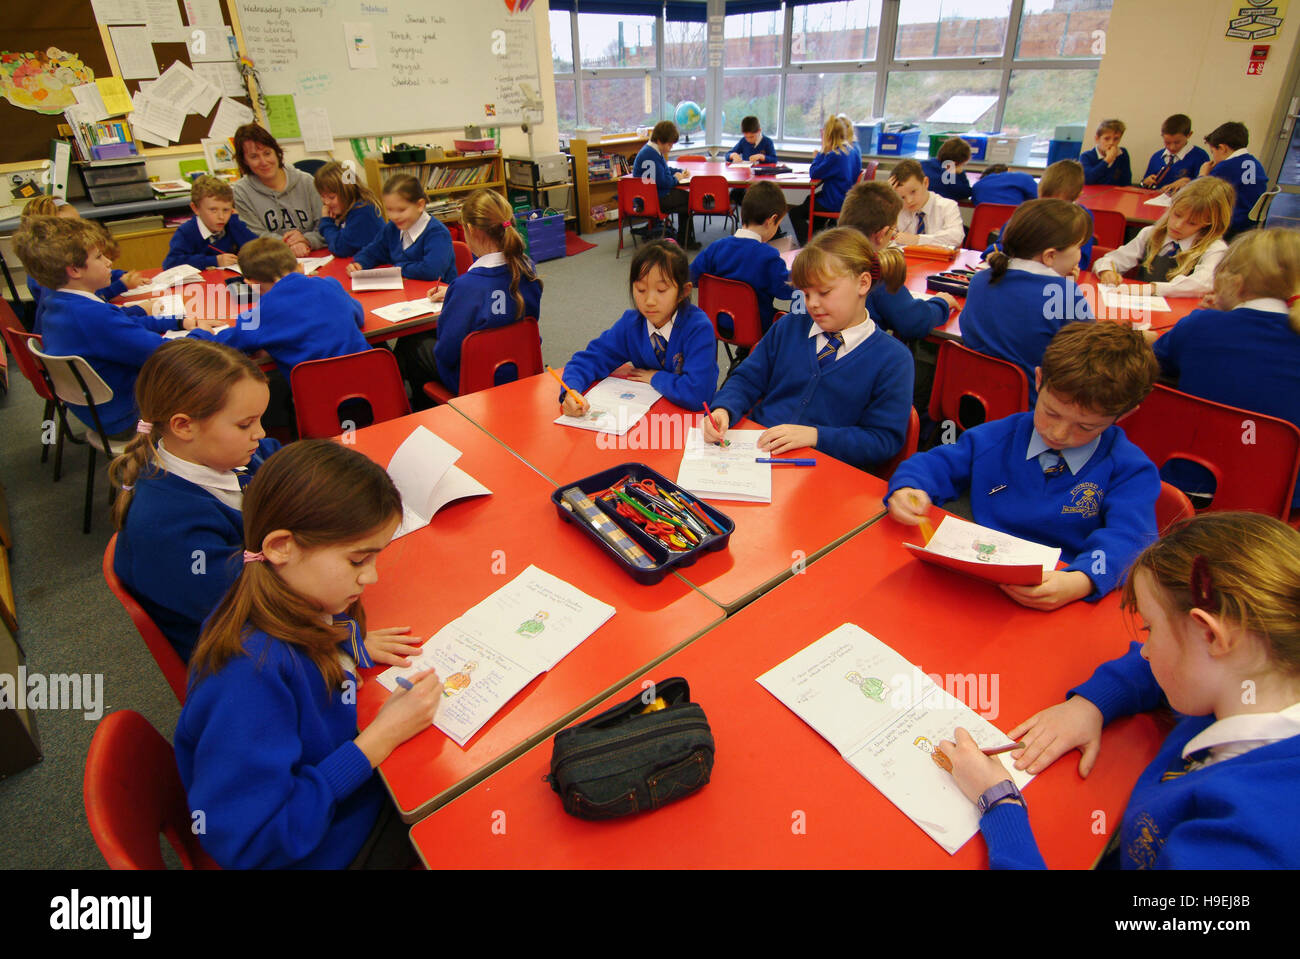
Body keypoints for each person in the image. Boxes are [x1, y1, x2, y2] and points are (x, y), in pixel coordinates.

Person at [940, 512, 1300, 868]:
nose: (1144, 649)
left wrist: (999, 803)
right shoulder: (1253, 680)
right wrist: (1092, 704)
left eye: (1150, 629)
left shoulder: (1248, 843)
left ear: (1210, 635)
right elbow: (1158, 666)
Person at [174, 440, 440, 869]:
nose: (371, 576)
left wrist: (351, 647)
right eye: (357, 560)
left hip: (346, 805)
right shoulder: (247, 676)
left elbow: (307, 655)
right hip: (327, 848)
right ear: (282, 546)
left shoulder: (281, 596)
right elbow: (251, 843)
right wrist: (378, 740)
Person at [887, 322, 1161, 610]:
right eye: (1051, 412)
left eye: (1085, 426)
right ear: (1039, 381)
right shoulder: (1001, 436)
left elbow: (1130, 541)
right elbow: (937, 464)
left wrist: (1082, 580)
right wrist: (910, 489)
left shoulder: (1130, 470)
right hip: (976, 576)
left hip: (1059, 589)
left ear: (1124, 414)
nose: (1058, 434)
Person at [110, 339, 280, 662]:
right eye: (245, 424)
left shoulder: (231, 457)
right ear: (184, 426)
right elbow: (252, 608)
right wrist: (342, 639)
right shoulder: (167, 527)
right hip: (243, 654)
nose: (260, 432)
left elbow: (283, 463)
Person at [701, 228, 913, 471]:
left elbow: (882, 440)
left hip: (824, 473)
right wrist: (723, 409)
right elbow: (747, 378)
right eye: (806, 293)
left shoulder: (894, 360)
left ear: (863, 283)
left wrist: (815, 436)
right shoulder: (790, 326)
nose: (812, 303)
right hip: (755, 457)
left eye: (824, 292)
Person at [12, 216, 213, 436]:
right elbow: (168, 355)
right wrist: (201, 334)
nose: (109, 262)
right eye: (99, 256)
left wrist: (179, 321)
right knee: (219, 386)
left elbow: (123, 321)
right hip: (130, 417)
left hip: (103, 412)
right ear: (75, 270)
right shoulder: (90, 317)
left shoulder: (60, 304)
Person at [1151, 228, 1300, 510]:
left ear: (1236, 283)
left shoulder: (1198, 326)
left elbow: (1156, 360)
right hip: (1279, 500)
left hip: (1184, 485)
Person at [960, 198, 1093, 401]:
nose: (1080, 255)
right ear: (1050, 256)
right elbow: (1091, 355)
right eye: (1079, 247)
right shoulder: (1064, 294)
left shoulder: (980, 280)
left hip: (972, 398)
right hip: (1032, 408)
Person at [560, 239, 716, 413]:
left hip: (688, 423)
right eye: (641, 290)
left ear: (683, 292)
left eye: (662, 290)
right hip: (646, 415)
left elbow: (699, 394)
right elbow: (589, 359)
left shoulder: (698, 328)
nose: (649, 301)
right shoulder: (632, 324)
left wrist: (656, 377)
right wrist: (571, 390)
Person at [423, 189, 543, 395]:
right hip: (520, 371)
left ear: (471, 230)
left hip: (477, 383)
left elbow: (446, 352)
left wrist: (456, 297)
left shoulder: (465, 288)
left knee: (416, 348)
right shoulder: (527, 270)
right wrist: (458, 296)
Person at [199, 236, 369, 374]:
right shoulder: (331, 285)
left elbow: (225, 345)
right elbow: (359, 316)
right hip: (375, 383)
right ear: (302, 268)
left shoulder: (259, 316)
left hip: (318, 402)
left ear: (250, 284)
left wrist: (199, 333)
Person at [836, 181, 957, 340]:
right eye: (893, 231)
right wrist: (942, 303)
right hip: (856, 355)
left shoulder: (819, 255)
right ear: (882, 234)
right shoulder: (875, 271)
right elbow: (913, 323)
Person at [1094, 177, 1233, 297]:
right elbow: (1111, 259)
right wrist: (1106, 271)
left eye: (1192, 223)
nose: (1178, 225)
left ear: (1208, 224)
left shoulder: (1214, 248)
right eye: (1177, 214)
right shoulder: (1150, 234)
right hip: (1139, 310)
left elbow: (1203, 282)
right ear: (1171, 206)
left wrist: (1152, 288)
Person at [21, 197, 145, 331]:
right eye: (70, 228)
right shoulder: (54, 280)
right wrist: (122, 287)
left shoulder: (60, 267)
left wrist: (119, 275)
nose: (81, 232)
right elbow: (95, 309)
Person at [689, 181, 794, 334]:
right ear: (771, 220)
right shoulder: (768, 256)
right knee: (790, 319)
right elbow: (785, 291)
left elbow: (691, 276)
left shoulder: (716, 247)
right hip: (756, 328)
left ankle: (744, 352)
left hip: (717, 322)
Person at [230, 123, 324, 256]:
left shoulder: (307, 181)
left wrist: (306, 240)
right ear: (244, 161)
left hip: (314, 255)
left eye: (267, 153)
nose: (263, 162)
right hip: (272, 260)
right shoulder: (241, 192)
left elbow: (325, 224)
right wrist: (288, 244)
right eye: (254, 157)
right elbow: (253, 236)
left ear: (277, 152)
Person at [347, 174, 455, 282]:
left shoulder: (437, 233)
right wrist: (359, 263)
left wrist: (399, 268)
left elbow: (432, 271)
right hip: (405, 292)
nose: (394, 216)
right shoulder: (392, 228)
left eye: (401, 210)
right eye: (389, 209)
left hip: (436, 295)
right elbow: (373, 251)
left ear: (420, 205)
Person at [787, 115, 860, 243]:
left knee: (795, 213)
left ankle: (807, 245)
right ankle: (816, 239)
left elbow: (814, 172)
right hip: (845, 197)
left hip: (834, 201)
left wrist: (821, 153)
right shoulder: (851, 150)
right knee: (810, 200)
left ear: (829, 136)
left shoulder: (835, 155)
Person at [163, 175, 258, 271]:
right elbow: (171, 263)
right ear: (195, 209)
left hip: (232, 281)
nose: (221, 217)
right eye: (213, 210)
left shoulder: (232, 224)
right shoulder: (187, 232)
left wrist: (235, 221)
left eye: (226, 210)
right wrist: (214, 261)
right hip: (204, 284)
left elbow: (258, 251)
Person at [1196, 121, 1268, 240]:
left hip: (1230, 225)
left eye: (1213, 152)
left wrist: (1202, 174)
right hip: (1249, 225)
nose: (1213, 157)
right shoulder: (1255, 163)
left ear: (1223, 148)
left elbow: (1198, 195)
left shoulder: (1226, 167)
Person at [633, 120, 693, 246]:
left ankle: (684, 239)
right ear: (660, 141)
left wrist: (679, 171)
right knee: (689, 199)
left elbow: (664, 170)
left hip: (651, 197)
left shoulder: (651, 151)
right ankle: (685, 240)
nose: (670, 148)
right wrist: (677, 178)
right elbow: (664, 182)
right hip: (655, 198)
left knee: (685, 204)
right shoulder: (651, 155)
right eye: (670, 145)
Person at [314, 161, 385, 257]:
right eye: (322, 196)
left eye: (331, 197)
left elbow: (340, 248)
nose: (326, 202)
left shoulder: (363, 210)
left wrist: (327, 222)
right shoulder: (347, 208)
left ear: (347, 191)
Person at [889, 158, 965, 248]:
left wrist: (918, 239)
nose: (909, 201)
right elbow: (876, 234)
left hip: (939, 260)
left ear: (925, 183)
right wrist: (886, 197)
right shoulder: (898, 209)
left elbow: (956, 236)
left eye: (913, 192)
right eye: (902, 197)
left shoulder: (947, 206)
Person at [1140, 113, 1211, 191]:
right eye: (1167, 142)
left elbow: (1205, 189)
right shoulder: (1157, 157)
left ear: (1189, 135)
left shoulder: (1200, 156)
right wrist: (1145, 182)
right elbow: (1144, 187)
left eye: (1177, 142)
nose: (1172, 147)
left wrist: (1189, 184)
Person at [1080, 118, 1131, 186]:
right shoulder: (1086, 156)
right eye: (1107, 138)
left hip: (1114, 194)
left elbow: (1126, 182)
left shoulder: (1122, 154)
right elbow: (1087, 180)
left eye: (1116, 139)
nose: (1111, 143)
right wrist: (1107, 161)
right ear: (1097, 139)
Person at [921, 137, 973, 203]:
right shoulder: (950, 177)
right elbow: (965, 193)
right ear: (957, 163)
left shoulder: (922, 164)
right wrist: (961, 174)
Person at [970, 163, 1037, 206]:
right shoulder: (1021, 177)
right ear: (1009, 170)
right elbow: (1041, 196)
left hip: (985, 226)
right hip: (1015, 225)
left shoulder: (977, 186)